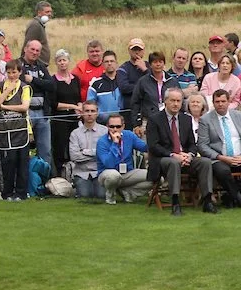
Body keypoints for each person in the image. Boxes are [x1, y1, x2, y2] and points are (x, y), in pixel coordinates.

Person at [146, 87, 214, 216]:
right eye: (172, 100)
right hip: (163, 159)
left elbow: (192, 145)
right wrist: (173, 155)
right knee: (173, 163)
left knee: (205, 162)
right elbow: (153, 146)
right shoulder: (154, 119)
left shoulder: (186, 119)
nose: (176, 104)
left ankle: (207, 200)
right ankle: (175, 202)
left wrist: (189, 155)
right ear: (165, 101)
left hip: (184, 158)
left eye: (179, 101)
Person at [0, 59, 32, 200]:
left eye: (14, 72)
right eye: (9, 72)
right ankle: (7, 193)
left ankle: (21, 194)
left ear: (20, 72)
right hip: (5, 130)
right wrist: (7, 90)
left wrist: (5, 107)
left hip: (21, 130)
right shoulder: (0, 86)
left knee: (22, 163)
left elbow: (24, 107)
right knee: (8, 163)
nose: (11, 75)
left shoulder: (25, 87)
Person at [196, 89, 241, 210]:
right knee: (222, 171)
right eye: (217, 101)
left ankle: (230, 198)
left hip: (239, 157)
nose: (220, 104)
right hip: (219, 159)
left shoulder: (238, 116)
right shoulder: (205, 120)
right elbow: (202, 145)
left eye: (223, 101)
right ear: (213, 103)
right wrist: (222, 158)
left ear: (228, 101)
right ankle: (237, 197)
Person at [96, 113, 151, 204]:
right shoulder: (102, 141)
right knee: (114, 175)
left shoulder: (129, 135)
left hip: (127, 173)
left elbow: (145, 148)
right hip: (107, 174)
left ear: (123, 126)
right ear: (107, 126)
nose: (115, 129)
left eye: (118, 126)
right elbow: (108, 164)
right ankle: (110, 196)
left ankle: (128, 193)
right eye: (112, 126)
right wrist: (115, 143)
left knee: (156, 177)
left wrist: (154, 138)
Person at [20, 40, 54, 171]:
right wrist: (41, 83)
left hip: (42, 112)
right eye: (32, 49)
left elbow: (51, 85)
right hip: (25, 112)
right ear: (25, 49)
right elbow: (20, 82)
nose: (34, 53)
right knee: (24, 148)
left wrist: (33, 80)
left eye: (37, 51)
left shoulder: (41, 67)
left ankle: (45, 180)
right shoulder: (18, 65)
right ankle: (25, 179)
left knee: (45, 149)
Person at [50, 49, 83, 175]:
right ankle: (60, 174)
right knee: (60, 147)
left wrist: (79, 108)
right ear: (56, 63)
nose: (62, 63)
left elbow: (78, 98)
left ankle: (74, 173)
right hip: (60, 119)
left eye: (64, 60)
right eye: (59, 61)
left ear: (68, 62)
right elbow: (54, 104)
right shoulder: (53, 81)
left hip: (74, 119)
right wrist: (73, 106)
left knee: (74, 146)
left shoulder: (75, 80)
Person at [68, 101, 107, 199]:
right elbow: (74, 156)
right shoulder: (75, 133)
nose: (89, 114)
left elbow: (107, 154)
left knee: (101, 196)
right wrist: (97, 153)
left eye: (92, 111)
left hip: (99, 172)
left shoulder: (105, 131)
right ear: (82, 113)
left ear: (97, 113)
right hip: (81, 172)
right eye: (87, 111)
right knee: (85, 195)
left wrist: (85, 152)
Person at [86, 50, 124, 124]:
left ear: (116, 63)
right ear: (102, 64)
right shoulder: (96, 84)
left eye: (112, 61)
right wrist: (102, 116)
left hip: (122, 123)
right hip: (102, 124)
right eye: (106, 61)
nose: (109, 63)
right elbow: (90, 105)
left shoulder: (124, 82)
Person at [23, 1, 52, 65]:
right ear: (39, 13)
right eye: (47, 12)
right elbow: (27, 45)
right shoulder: (35, 25)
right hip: (36, 64)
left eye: (50, 12)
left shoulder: (39, 24)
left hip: (40, 64)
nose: (50, 14)